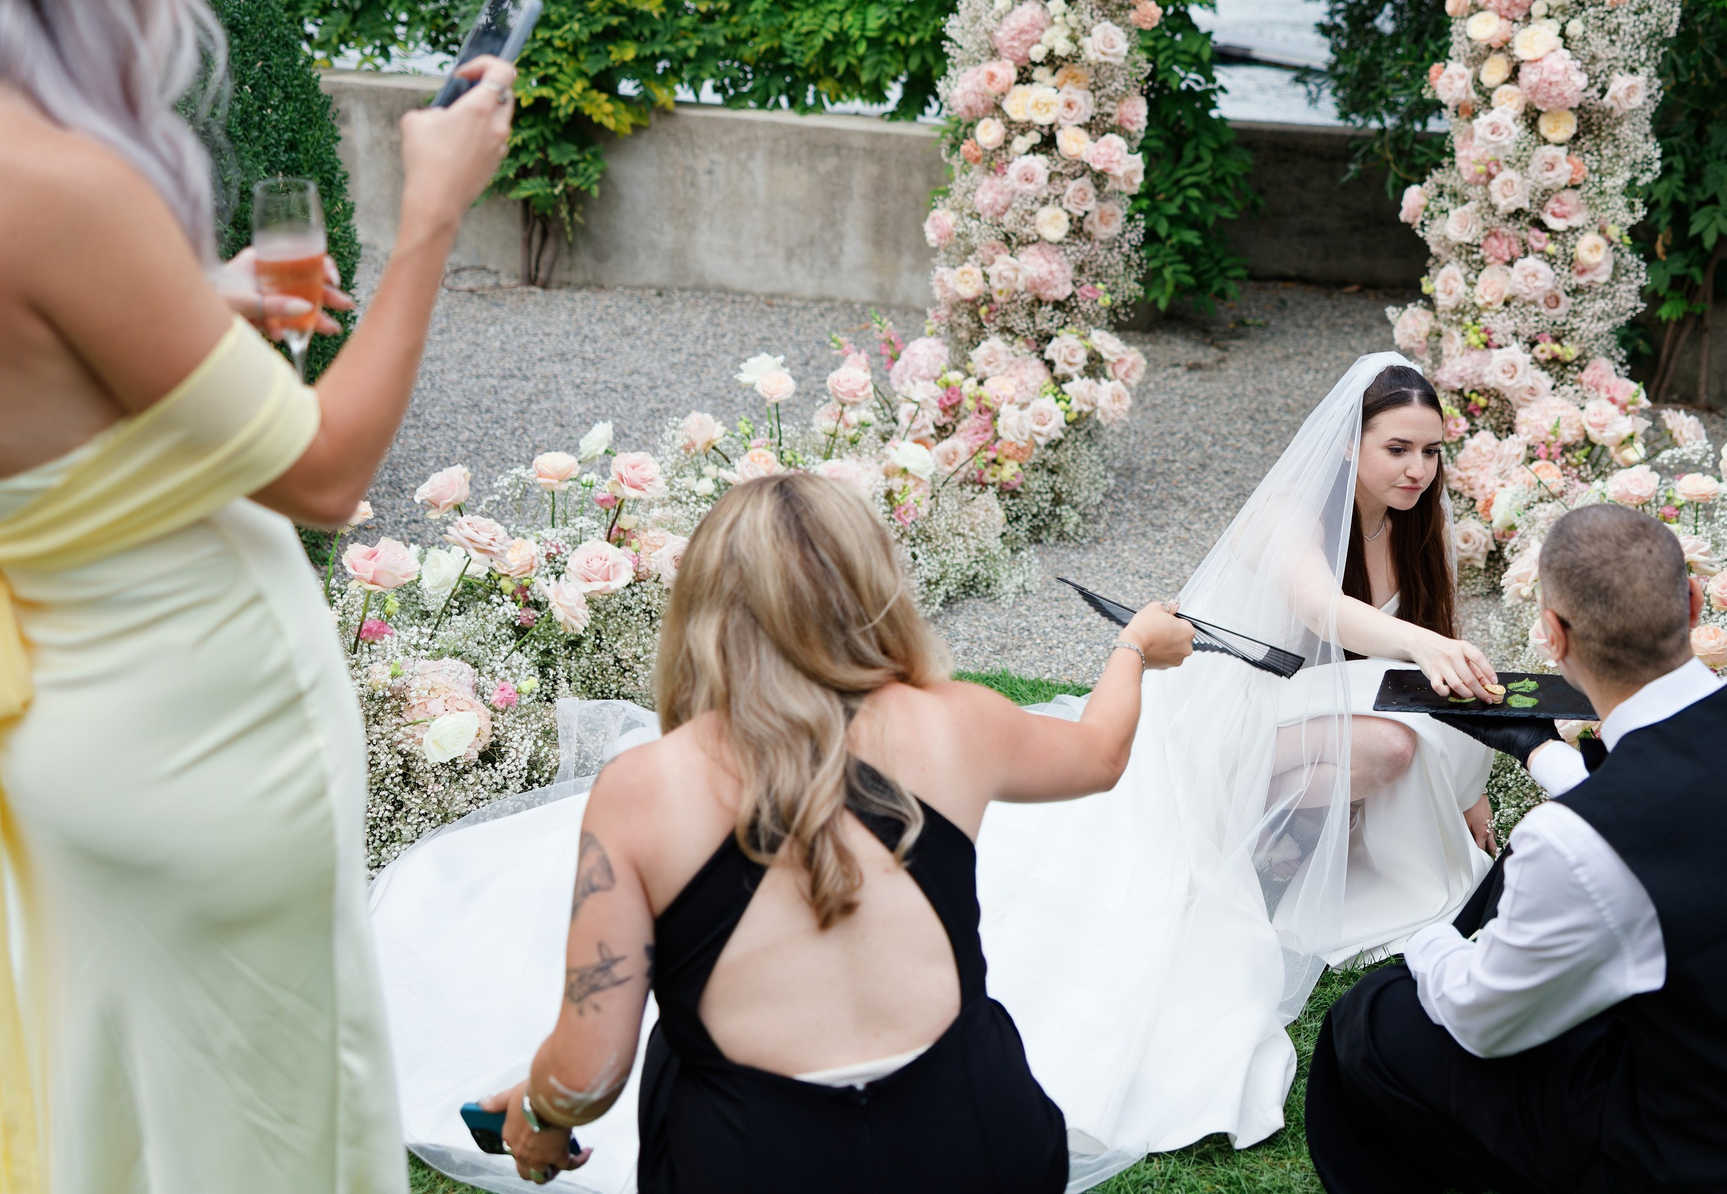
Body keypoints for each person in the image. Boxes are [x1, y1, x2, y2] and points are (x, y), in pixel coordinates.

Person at [0, 0, 515, 1193]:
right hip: (201, 753)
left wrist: (194, 303)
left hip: (61, 732)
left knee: (127, 1132)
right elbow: (331, 469)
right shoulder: (48, 180)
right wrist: (430, 215)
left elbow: (12, 404)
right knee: (263, 1130)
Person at [440, 472, 1195, 1190]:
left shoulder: (643, 787)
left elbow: (590, 1072)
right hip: (973, 1140)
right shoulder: (954, 722)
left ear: (704, 611)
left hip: (751, 1163)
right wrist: (1132, 647)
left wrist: (539, 1115)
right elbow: (1100, 753)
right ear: (872, 589)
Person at [972, 355, 1502, 1188]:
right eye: (1398, 448)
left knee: (1402, 734)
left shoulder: (1414, 526)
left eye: (1432, 453)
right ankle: (1268, 840)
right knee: (1393, 744)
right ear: (1347, 444)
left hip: (1308, 722)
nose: (1418, 470)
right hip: (1222, 728)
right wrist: (1423, 642)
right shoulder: (1288, 514)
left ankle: (1294, 839)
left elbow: (1420, 679)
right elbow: (1317, 608)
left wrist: (1468, 793)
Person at [1305, 505, 1727, 1194]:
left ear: (1554, 635)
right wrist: (1545, 755)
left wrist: (1427, 942)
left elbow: (1482, 1019)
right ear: (1691, 602)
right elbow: (1707, 820)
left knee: (1376, 1015)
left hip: (1716, 1164)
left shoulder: (1578, 843)